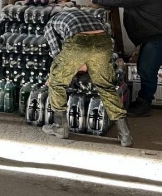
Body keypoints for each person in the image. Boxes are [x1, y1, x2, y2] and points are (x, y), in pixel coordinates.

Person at [42, 8, 133, 147]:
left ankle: (60, 127)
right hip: (103, 41)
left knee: (57, 83)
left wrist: (57, 74)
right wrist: (88, 62)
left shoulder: (51, 23)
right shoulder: (85, 15)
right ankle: (125, 135)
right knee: (106, 87)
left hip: (79, 43)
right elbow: (105, 37)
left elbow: (56, 52)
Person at [85, 0, 162, 117]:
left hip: (156, 37)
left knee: (147, 70)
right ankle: (143, 101)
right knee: (145, 68)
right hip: (152, 35)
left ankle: (144, 104)